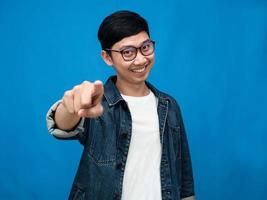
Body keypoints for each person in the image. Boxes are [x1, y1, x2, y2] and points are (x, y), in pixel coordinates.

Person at [46, 10, 195, 200]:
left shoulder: (169, 106)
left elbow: (185, 181)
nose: (140, 59)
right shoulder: (96, 103)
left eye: (146, 47)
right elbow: (63, 125)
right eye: (128, 52)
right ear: (108, 57)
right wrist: (69, 107)